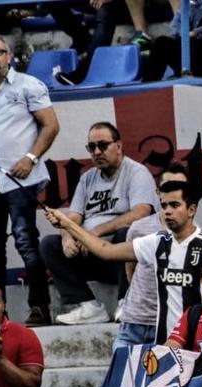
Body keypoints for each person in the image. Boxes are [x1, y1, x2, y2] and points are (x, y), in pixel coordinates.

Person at [45, 181, 202, 344]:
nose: (168, 211)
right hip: (165, 341)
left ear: (191, 210)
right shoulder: (157, 242)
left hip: (200, 340)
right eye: (164, 205)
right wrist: (68, 225)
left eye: (174, 205)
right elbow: (105, 250)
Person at [0, 33, 60, 327]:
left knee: (26, 242)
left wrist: (30, 158)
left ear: (9, 56)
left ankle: (40, 307)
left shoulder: (29, 85)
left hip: (19, 179)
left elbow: (51, 126)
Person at [40, 122, 158, 325]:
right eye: (91, 147)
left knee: (129, 233)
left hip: (122, 257)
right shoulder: (87, 178)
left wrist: (94, 233)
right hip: (89, 253)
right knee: (49, 244)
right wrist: (68, 236)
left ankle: (126, 301)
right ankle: (87, 305)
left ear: (119, 146)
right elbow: (74, 216)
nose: (96, 152)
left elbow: (141, 212)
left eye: (103, 145)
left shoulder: (136, 172)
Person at [114, 165, 190, 349]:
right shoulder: (139, 228)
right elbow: (130, 269)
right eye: (167, 186)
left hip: (170, 326)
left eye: (178, 186)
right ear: (157, 191)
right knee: (123, 374)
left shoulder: (197, 236)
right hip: (134, 321)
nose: (172, 192)